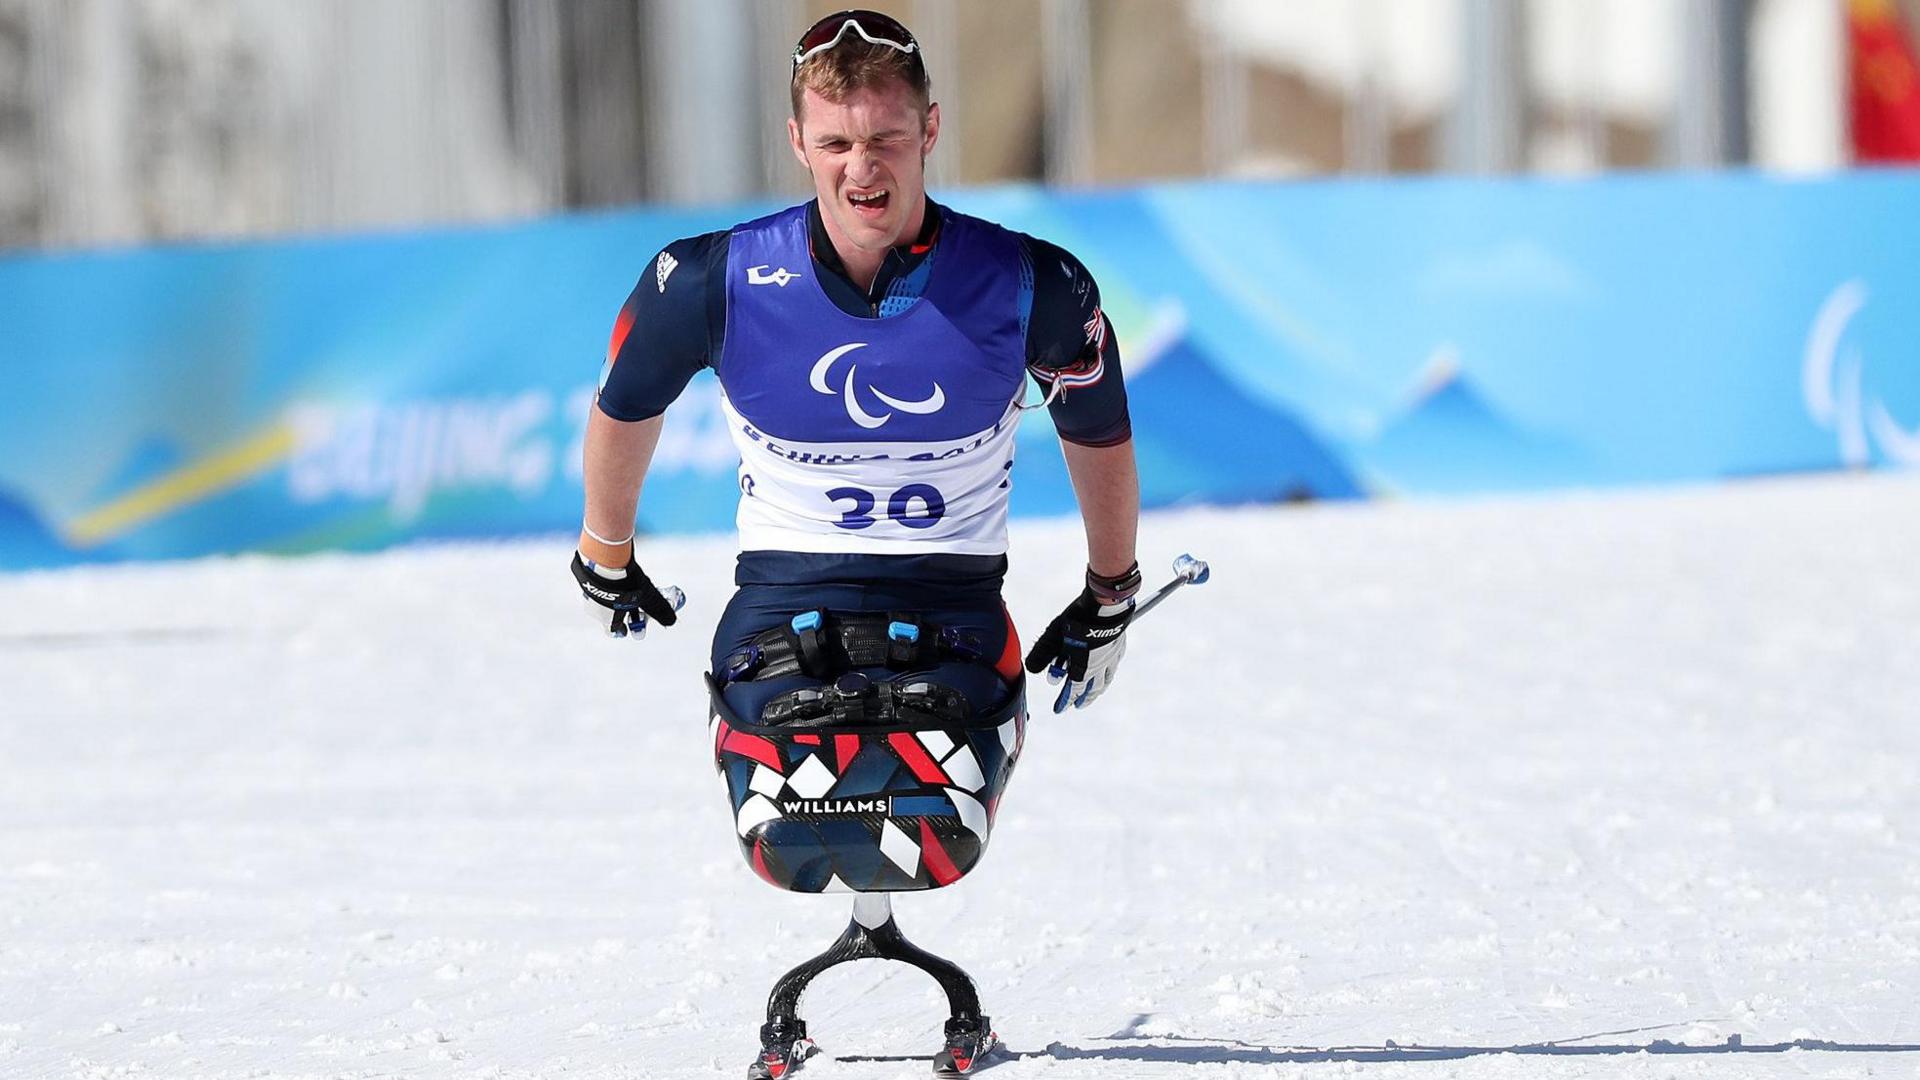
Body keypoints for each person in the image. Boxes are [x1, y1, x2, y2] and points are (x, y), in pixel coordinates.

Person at [569, 9, 1140, 1074]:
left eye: (883, 137)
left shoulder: (1031, 285)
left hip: (957, 608)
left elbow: (1099, 427)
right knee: (788, 842)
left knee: (940, 827)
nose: (860, 168)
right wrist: (605, 553)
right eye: (835, 142)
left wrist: (1112, 590)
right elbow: (623, 403)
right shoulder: (715, 279)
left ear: (930, 129)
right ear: (797, 143)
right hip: (786, 606)